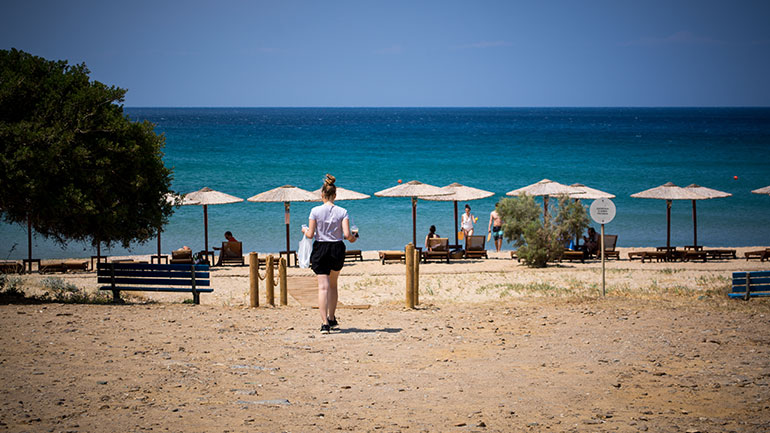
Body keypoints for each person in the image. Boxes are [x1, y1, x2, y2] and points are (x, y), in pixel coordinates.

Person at [301, 174, 357, 335]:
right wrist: (354, 237)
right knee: (333, 285)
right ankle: (332, 317)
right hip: (337, 249)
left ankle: (324, 323)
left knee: (322, 288)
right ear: (335, 195)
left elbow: (310, 234)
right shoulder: (343, 211)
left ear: (322, 195)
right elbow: (347, 235)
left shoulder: (315, 211)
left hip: (321, 248)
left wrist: (304, 229)